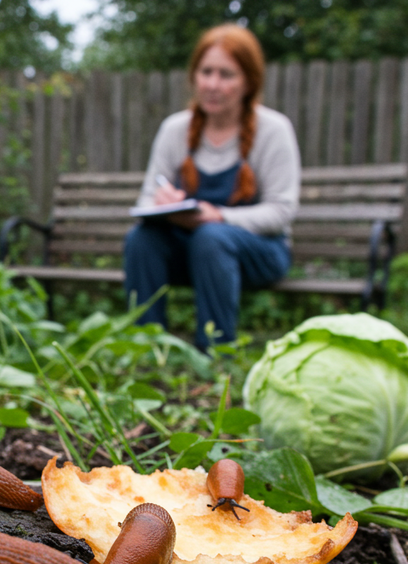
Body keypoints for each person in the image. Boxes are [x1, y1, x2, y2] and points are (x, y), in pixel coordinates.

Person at [123, 24, 300, 351]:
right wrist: (163, 203)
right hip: (193, 250)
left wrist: (217, 216)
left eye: (226, 74)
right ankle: (144, 349)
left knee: (211, 237)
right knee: (142, 239)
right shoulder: (175, 130)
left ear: (249, 81)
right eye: (206, 72)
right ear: (193, 76)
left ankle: (215, 352)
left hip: (259, 253)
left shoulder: (273, 130)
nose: (213, 85)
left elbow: (281, 211)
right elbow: (147, 197)